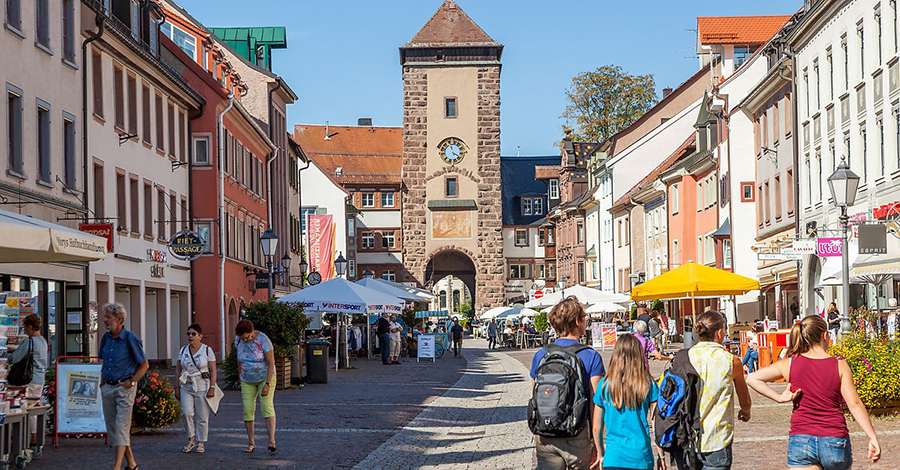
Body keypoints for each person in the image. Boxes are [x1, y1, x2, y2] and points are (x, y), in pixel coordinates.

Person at [747, 315, 881, 469]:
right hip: (834, 437)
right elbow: (854, 404)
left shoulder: (790, 364)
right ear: (824, 335)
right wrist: (872, 436)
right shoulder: (839, 366)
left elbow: (753, 379)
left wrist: (779, 398)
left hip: (801, 439)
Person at [530, 297, 606, 469]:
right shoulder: (591, 356)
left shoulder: (541, 355)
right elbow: (596, 403)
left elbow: (535, 395)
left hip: (546, 433)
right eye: (584, 318)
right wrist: (597, 443)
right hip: (577, 433)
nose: (586, 321)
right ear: (577, 321)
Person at [673, 311, 752, 470]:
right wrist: (745, 411)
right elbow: (744, 399)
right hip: (717, 439)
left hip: (687, 437)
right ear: (720, 332)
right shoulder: (731, 361)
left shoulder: (683, 357)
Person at [592, 334, 666, 470]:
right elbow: (657, 424)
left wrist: (600, 454)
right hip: (641, 455)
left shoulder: (604, 385)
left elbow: (597, 427)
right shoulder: (648, 383)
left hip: (614, 457)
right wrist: (661, 456)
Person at [98, 303, 149, 470]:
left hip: (124, 388)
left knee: (122, 427)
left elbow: (144, 365)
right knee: (113, 429)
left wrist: (132, 382)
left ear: (119, 319)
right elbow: (103, 360)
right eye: (105, 316)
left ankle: (117, 467)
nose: (105, 320)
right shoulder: (106, 338)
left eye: (108, 317)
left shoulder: (130, 338)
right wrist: (102, 380)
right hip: (108, 387)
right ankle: (132, 464)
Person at [234, 320, 276, 454]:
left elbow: (271, 363)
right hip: (246, 379)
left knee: (266, 406)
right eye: (243, 338)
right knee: (247, 409)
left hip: (265, 377)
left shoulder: (263, 340)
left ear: (252, 331)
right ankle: (251, 443)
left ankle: (271, 441)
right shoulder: (238, 340)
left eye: (247, 337)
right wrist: (240, 376)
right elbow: (238, 360)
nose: (245, 340)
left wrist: (268, 384)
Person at [174, 323, 217, 454]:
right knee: (186, 412)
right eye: (189, 334)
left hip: (202, 385)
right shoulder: (183, 350)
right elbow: (178, 369)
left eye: (193, 334)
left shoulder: (207, 350)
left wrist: (212, 387)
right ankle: (191, 438)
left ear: (200, 336)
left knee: (202, 415)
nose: (190, 336)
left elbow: (213, 370)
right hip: (186, 385)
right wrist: (176, 387)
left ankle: (201, 441)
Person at [9, 314, 48, 448]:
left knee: (22, 408)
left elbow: (15, 358)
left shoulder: (29, 342)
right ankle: (34, 438)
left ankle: (28, 439)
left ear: (30, 327)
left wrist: (7, 355)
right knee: (33, 409)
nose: (25, 330)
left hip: (28, 379)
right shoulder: (43, 341)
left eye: (25, 327)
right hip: (39, 378)